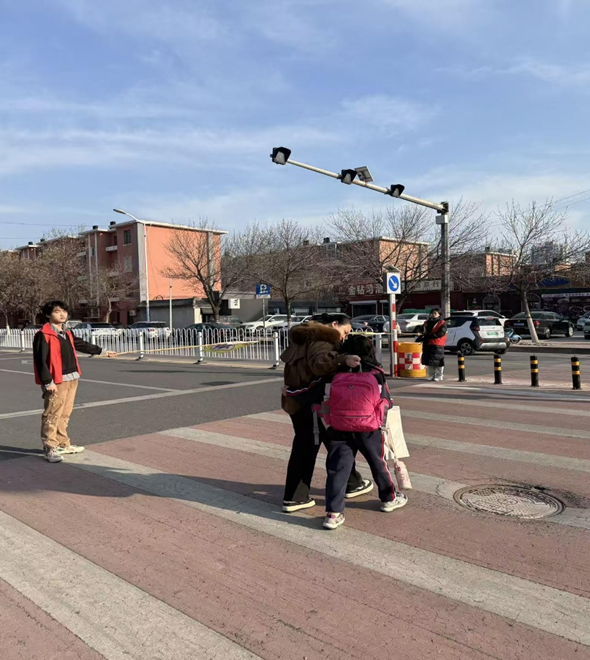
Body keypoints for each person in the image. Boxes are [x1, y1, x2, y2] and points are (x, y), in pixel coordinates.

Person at [280, 313, 373, 513]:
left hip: (297, 401)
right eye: (345, 331)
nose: (344, 336)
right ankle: (295, 497)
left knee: (328, 443)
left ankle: (352, 482)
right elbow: (319, 364)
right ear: (334, 324)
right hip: (315, 403)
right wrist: (343, 359)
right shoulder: (322, 340)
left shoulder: (302, 338)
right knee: (315, 447)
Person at [323, 335, 408, 530]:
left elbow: (326, 400)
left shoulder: (334, 372)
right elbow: (387, 402)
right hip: (369, 428)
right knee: (378, 463)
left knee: (338, 469)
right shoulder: (376, 372)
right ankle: (388, 499)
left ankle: (333, 513)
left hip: (339, 426)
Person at [33, 300, 117, 463]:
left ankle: (62, 443)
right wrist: (48, 381)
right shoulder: (43, 335)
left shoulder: (67, 333)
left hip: (72, 377)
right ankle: (50, 448)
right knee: (52, 414)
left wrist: (102, 351)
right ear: (48, 315)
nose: (62, 314)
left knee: (65, 414)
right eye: (57, 311)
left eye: (64, 311)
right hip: (56, 381)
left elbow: (82, 345)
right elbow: (40, 361)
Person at [419, 309, 447, 382]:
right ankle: (431, 375)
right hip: (427, 343)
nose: (433, 315)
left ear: (439, 314)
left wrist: (430, 336)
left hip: (437, 344)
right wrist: (421, 334)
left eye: (435, 313)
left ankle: (439, 375)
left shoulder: (442, 323)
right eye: (432, 313)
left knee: (438, 361)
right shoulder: (427, 322)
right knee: (429, 361)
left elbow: (441, 333)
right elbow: (421, 330)